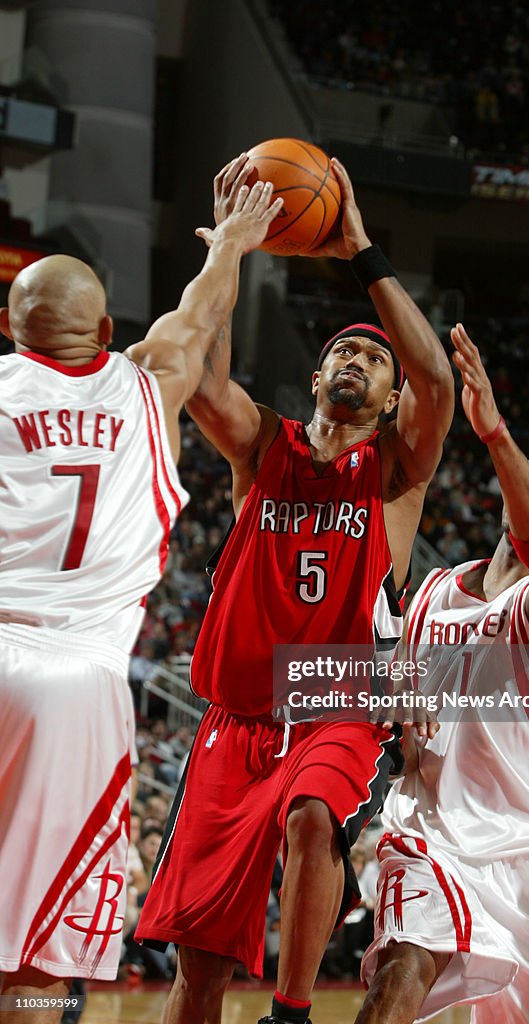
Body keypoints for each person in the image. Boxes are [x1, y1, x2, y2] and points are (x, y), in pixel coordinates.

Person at [135, 154, 455, 1024]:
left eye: (371, 358)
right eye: (341, 351)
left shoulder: (392, 473)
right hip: (235, 718)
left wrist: (358, 246)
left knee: (314, 816)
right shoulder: (261, 447)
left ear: (388, 401)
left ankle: (292, 1010)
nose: (356, 357)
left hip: (337, 703)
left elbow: (439, 380)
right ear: (315, 381)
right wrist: (231, 251)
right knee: (197, 970)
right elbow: (198, 377)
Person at [0, 174, 283, 1022]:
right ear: (110, 333)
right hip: (74, 690)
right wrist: (230, 240)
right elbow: (198, 317)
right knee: (38, 948)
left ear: (8, 332)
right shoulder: (144, 385)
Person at [356, 323, 529, 1024]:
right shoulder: (435, 589)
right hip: (430, 833)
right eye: (523, 472)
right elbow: (386, 690)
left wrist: (496, 434)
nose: (528, 485)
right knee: (397, 973)